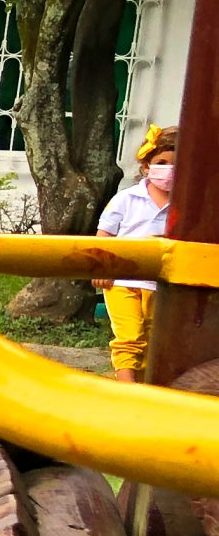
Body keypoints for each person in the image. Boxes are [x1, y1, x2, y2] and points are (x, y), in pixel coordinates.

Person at [96, 125, 175, 382]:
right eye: (162, 163)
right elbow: (104, 237)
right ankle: (126, 388)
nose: (169, 169)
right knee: (129, 336)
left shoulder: (186, 207)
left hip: (161, 285)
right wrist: (102, 268)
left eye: (177, 164)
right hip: (122, 282)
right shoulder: (126, 199)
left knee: (153, 341)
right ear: (146, 166)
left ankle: (142, 388)